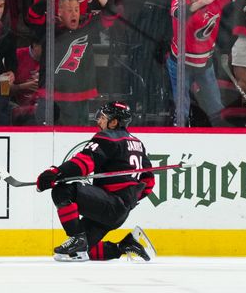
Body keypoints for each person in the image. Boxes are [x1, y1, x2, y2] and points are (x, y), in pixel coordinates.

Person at [35, 101, 156, 262]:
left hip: (110, 204)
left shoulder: (108, 137)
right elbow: (149, 182)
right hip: (120, 210)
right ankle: (125, 245)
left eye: (103, 118)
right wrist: (130, 199)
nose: (98, 121)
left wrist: (55, 173)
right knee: (82, 252)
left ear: (114, 122)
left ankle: (76, 237)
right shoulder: (138, 144)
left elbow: (84, 163)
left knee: (62, 191)